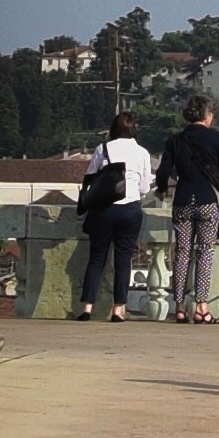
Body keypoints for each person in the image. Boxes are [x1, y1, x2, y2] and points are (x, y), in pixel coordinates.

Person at [155, 98, 219, 323]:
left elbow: (163, 171)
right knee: (205, 252)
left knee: (182, 253)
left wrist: (162, 189)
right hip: (207, 201)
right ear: (207, 116)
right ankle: (201, 307)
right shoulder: (216, 137)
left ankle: (179, 307)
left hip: (183, 201)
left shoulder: (175, 140)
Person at [73, 111, 153, 320]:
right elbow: (145, 187)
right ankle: (118, 309)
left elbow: (90, 177)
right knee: (123, 259)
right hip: (130, 209)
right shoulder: (142, 153)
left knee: (96, 259)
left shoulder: (103, 148)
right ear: (134, 129)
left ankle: (87, 307)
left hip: (104, 209)